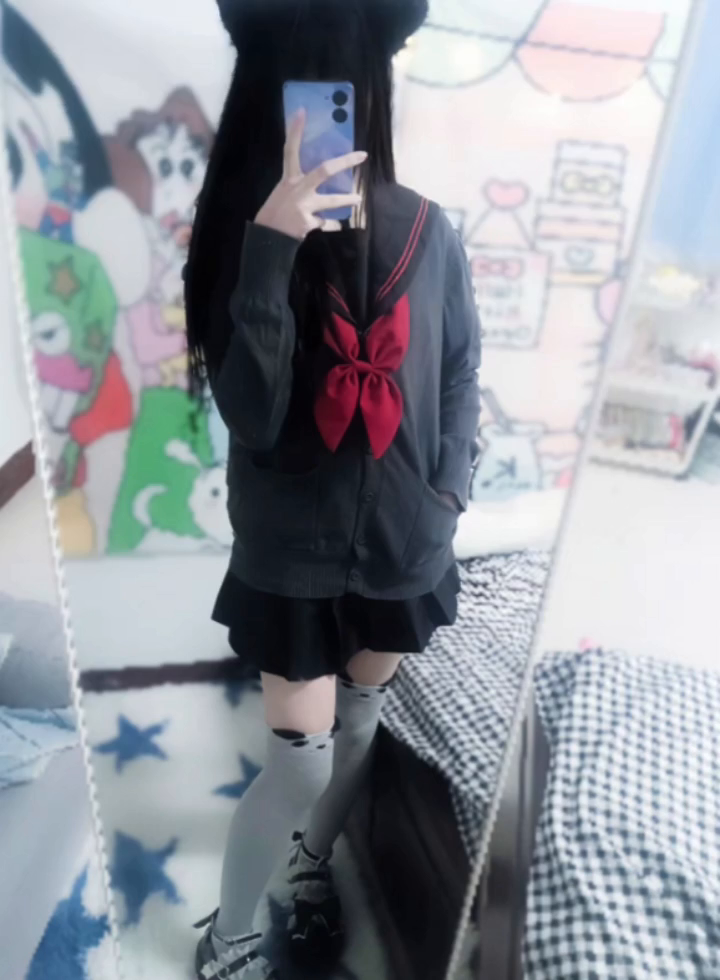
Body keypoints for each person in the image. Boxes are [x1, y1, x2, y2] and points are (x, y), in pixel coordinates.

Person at [184, 1, 481, 977]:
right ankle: (230, 934)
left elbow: (459, 371)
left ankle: (311, 866)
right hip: (292, 556)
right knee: (299, 754)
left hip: (405, 545)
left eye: (349, 89)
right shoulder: (245, 237)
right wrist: (272, 247)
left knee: (360, 725)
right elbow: (253, 414)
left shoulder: (430, 230)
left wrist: (450, 491)